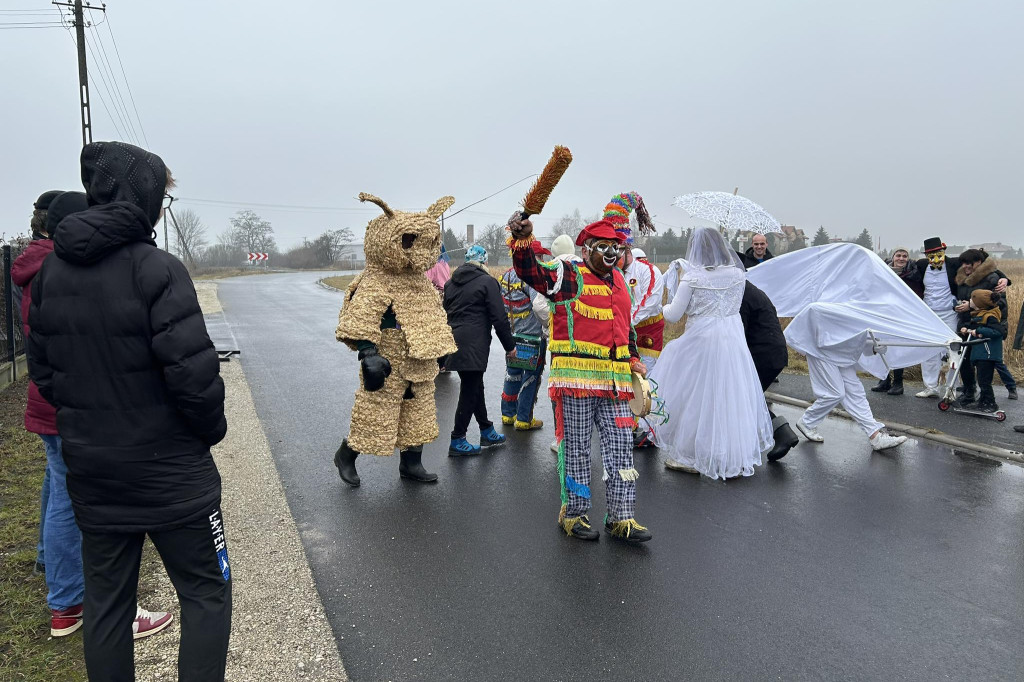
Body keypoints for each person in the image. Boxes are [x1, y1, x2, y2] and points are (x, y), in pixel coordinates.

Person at [28, 142, 230, 680]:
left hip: (95, 473)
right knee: (207, 592)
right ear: (140, 194)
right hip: (173, 475)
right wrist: (208, 435)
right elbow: (196, 379)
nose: (163, 207)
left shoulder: (50, 276)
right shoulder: (158, 270)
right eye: (161, 195)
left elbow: (44, 377)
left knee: (107, 605)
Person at [14, 191, 173, 640]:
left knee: (55, 486)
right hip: (68, 402)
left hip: (48, 398)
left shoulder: (33, 263)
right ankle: (71, 604)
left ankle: (53, 566)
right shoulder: (59, 267)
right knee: (74, 500)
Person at [508, 213, 652, 544]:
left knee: (621, 449)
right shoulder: (570, 275)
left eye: (614, 247)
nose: (611, 254)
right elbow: (532, 273)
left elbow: (625, 326)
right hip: (576, 382)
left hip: (615, 384)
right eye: (603, 247)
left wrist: (632, 359)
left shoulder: (618, 281)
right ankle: (574, 514)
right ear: (586, 250)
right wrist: (523, 241)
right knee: (576, 449)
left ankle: (621, 517)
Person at [333, 192, 458, 486]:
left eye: (425, 244)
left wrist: (441, 347)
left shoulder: (420, 282)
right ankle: (346, 455)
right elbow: (360, 316)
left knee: (419, 413)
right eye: (408, 242)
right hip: (387, 357)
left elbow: (433, 316)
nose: (418, 252)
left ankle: (412, 464)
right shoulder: (375, 279)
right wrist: (368, 352)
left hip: (420, 359)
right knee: (375, 414)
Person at [651, 227, 773, 478]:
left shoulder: (693, 278)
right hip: (732, 337)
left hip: (702, 340)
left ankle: (690, 455)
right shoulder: (738, 274)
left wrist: (663, 305)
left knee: (696, 395)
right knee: (729, 395)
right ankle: (731, 456)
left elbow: (674, 314)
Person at [910, 238, 1009, 399]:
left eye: (938, 254)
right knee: (928, 351)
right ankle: (931, 387)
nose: (935, 258)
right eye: (931, 255)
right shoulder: (921, 266)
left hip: (950, 313)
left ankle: (952, 388)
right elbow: (901, 267)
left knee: (953, 350)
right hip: (929, 314)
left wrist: (1004, 278)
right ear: (926, 255)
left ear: (944, 251)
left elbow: (984, 266)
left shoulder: (954, 264)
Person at [443, 244, 516, 454]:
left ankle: (486, 430)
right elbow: (499, 317)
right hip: (474, 343)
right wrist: (509, 346)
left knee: (474, 385)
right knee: (469, 390)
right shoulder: (487, 282)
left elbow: (445, 312)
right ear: (483, 262)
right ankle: (457, 439)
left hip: (454, 341)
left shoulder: (450, 283)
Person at [739, 281, 799, 461]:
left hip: (764, 355)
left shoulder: (741, 294)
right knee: (748, 398)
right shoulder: (751, 290)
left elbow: (739, 332)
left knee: (744, 398)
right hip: (772, 352)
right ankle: (781, 433)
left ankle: (782, 433)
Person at [499, 240, 549, 431]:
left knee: (512, 374)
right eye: (541, 256)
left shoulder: (506, 276)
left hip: (512, 335)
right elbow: (539, 306)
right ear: (533, 258)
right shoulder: (532, 278)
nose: (543, 260)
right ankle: (523, 418)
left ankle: (507, 414)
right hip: (533, 337)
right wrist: (549, 325)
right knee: (530, 377)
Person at [954, 249, 1012, 405]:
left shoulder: (993, 278)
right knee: (964, 361)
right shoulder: (960, 278)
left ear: (979, 263)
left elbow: (999, 303)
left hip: (983, 326)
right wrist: (959, 306)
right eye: (963, 263)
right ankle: (969, 391)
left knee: (982, 363)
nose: (965, 266)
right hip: (964, 325)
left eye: (969, 263)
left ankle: (986, 398)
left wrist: (971, 306)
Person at [871, 247, 922, 396]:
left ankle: (898, 383)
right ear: (893, 257)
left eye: (904, 256)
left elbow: (917, 295)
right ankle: (884, 380)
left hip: (902, 316)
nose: (901, 258)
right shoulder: (883, 272)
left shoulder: (913, 275)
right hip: (884, 314)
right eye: (898, 255)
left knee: (897, 349)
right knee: (881, 347)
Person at [960, 290, 1008, 413]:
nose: (970, 301)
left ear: (979, 303)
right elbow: (977, 327)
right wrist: (968, 329)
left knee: (984, 381)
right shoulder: (980, 314)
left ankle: (990, 403)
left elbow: (998, 332)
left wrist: (978, 332)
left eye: (972, 299)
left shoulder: (990, 316)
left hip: (988, 353)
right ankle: (983, 401)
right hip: (981, 353)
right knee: (981, 379)